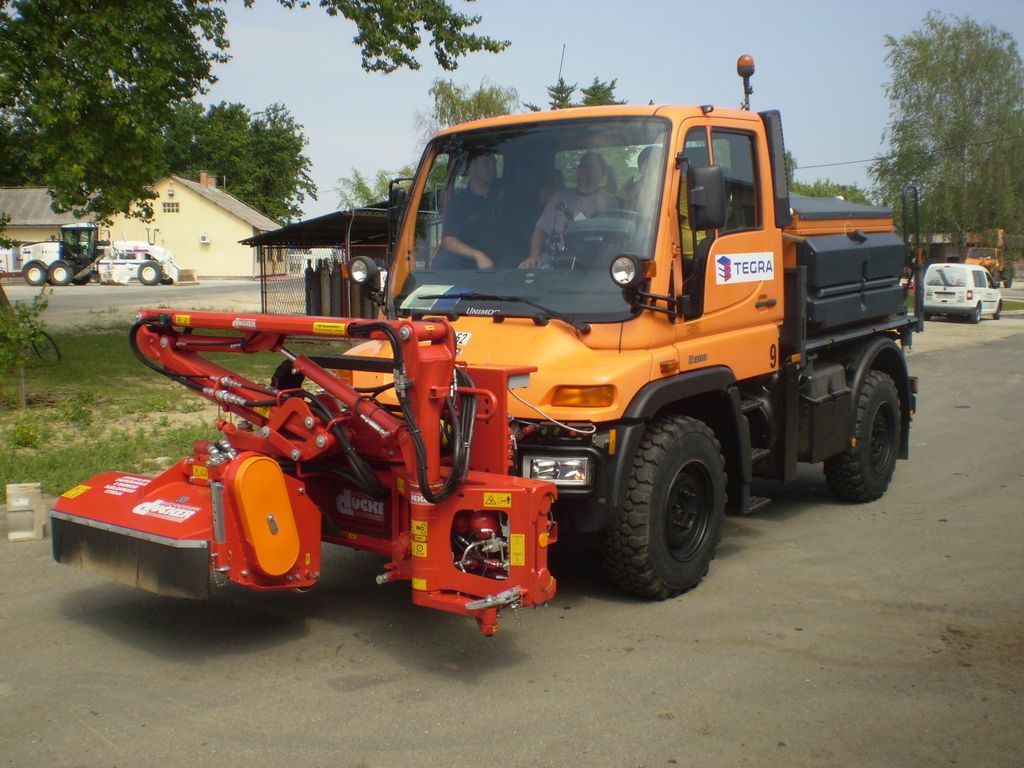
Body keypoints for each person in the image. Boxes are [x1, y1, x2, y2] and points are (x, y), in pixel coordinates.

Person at [520, 152, 618, 268]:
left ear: (602, 174)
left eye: (592, 167)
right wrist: (534, 255)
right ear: (578, 171)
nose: (587, 171)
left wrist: (606, 258)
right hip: (556, 258)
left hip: (594, 260)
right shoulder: (559, 198)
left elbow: (615, 236)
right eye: (583, 166)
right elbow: (541, 228)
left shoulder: (608, 200)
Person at [432, 153, 500, 270]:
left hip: (508, 261)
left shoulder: (506, 193)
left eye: (494, 163)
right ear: (471, 168)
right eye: (486, 163)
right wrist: (478, 255)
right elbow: (449, 240)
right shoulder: (459, 204)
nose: (492, 167)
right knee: (443, 261)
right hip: (472, 265)